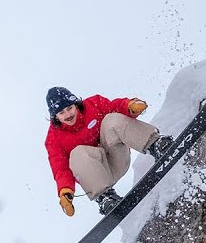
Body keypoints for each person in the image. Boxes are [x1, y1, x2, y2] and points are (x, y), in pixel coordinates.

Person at [43, 86, 173, 217]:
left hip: (117, 158)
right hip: (95, 177)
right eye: (61, 113)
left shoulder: (93, 104)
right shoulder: (53, 140)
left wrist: (130, 106)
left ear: (76, 104)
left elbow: (116, 107)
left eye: (70, 108)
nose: (68, 115)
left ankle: (155, 144)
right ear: (55, 117)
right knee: (77, 153)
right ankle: (105, 198)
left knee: (110, 120)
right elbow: (61, 169)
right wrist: (65, 190)